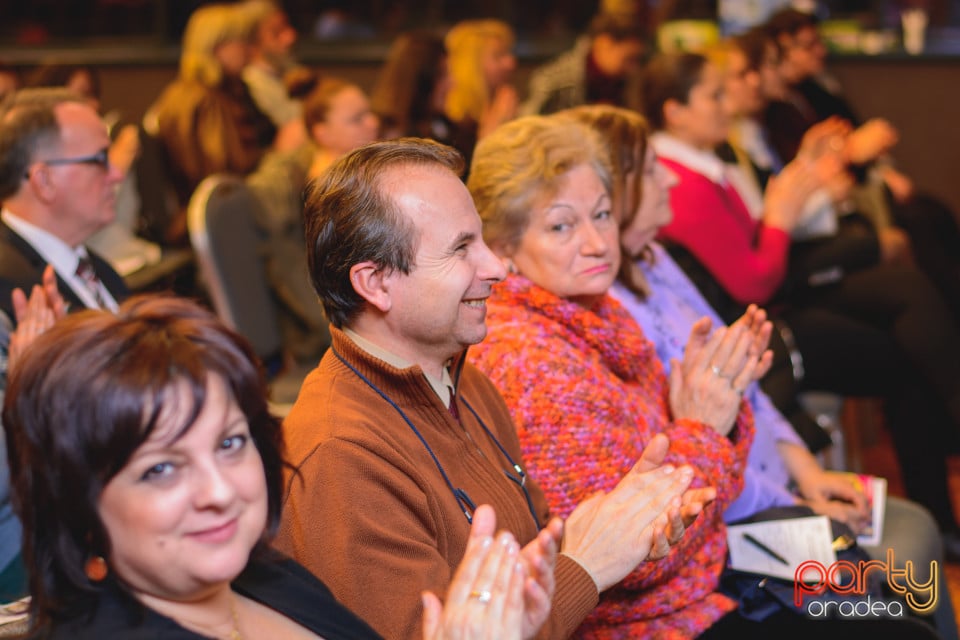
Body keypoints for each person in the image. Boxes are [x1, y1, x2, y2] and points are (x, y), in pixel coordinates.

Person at [467, 112, 942, 639]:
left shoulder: (594, 312)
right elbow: (634, 559)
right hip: (664, 617)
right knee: (894, 620)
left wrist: (717, 411)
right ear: (504, 248)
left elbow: (698, 459)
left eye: (602, 215)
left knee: (887, 604)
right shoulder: (529, 360)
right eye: (561, 225)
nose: (597, 241)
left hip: (709, 570)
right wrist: (705, 423)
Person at [275, 137, 711, 640]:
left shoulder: (463, 378)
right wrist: (586, 566)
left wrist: (605, 528)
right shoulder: (340, 458)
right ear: (374, 284)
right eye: (462, 249)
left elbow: (522, 548)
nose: (497, 269)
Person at [3, 294, 558, 639]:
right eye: (160, 471)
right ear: (77, 498)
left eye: (229, 444)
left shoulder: (263, 574)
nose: (220, 491)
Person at [643, 50, 960, 546]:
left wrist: (793, 197)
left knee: (908, 293)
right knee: (905, 333)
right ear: (673, 110)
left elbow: (757, 251)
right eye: (715, 94)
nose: (728, 104)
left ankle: (939, 515)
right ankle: (938, 514)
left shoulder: (706, 165)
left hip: (766, 316)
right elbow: (755, 282)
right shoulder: (682, 182)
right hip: (761, 332)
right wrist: (782, 214)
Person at [0, 88, 128, 321]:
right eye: (100, 159)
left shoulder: (97, 269)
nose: (116, 175)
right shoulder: (9, 294)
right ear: (44, 181)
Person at [149, 2, 278, 210]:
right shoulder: (204, 100)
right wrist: (280, 154)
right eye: (242, 41)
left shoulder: (228, 89)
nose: (250, 49)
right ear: (217, 47)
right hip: (221, 214)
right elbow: (220, 179)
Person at [521, 12, 645, 116]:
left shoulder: (627, 83)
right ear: (603, 44)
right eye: (628, 58)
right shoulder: (554, 81)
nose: (633, 68)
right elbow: (528, 127)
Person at [442, 19, 518, 164]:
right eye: (499, 56)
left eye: (509, 53)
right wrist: (491, 136)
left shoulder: (499, 107)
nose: (511, 62)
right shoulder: (452, 125)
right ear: (471, 65)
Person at [369, 31, 453, 142]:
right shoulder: (394, 139)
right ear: (419, 81)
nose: (451, 83)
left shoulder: (442, 123)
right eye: (441, 75)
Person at [240, 0, 302, 130]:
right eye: (276, 32)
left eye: (287, 26)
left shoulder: (291, 71)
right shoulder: (251, 84)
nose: (290, 37)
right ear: (252, 40)